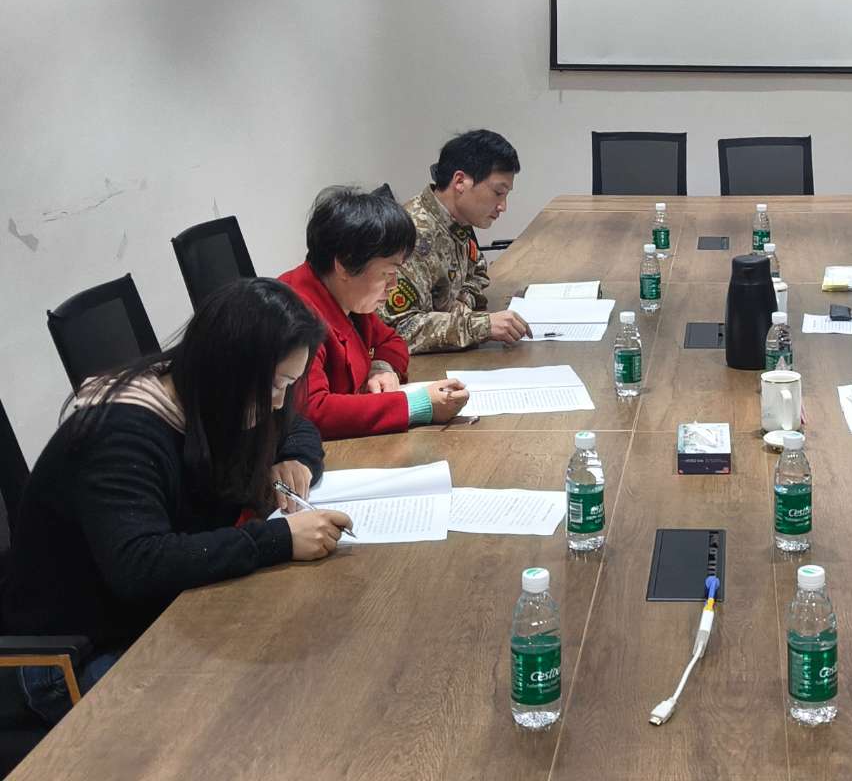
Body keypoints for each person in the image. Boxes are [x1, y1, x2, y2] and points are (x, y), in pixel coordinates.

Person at [2, 279, 354, 724]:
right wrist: (278, 539)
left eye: (289, 384)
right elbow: (141, 563)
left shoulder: (209, 397)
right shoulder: (119, 434)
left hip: (156, 613)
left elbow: (296, 425)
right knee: (257, 708)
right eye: (275, 385)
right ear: (227, 368)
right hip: (73, 656)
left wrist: (295, 458)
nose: (279, 402)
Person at [280, 186, 469, 438]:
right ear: (345, 264)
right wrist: (417, 406)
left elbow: (391, 341)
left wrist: (382, 367)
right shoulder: (292, 314)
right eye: (388, 273)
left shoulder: (345, 294)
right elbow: (312, 411)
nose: (393, 285)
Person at [380, 130, 532, 351]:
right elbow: (398, 329)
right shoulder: (410, 236)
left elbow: (477, 271)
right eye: (498, 193)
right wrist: (479, 326)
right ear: (460, 181)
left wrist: (460, 303)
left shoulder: (455, 222)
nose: (503, 207)